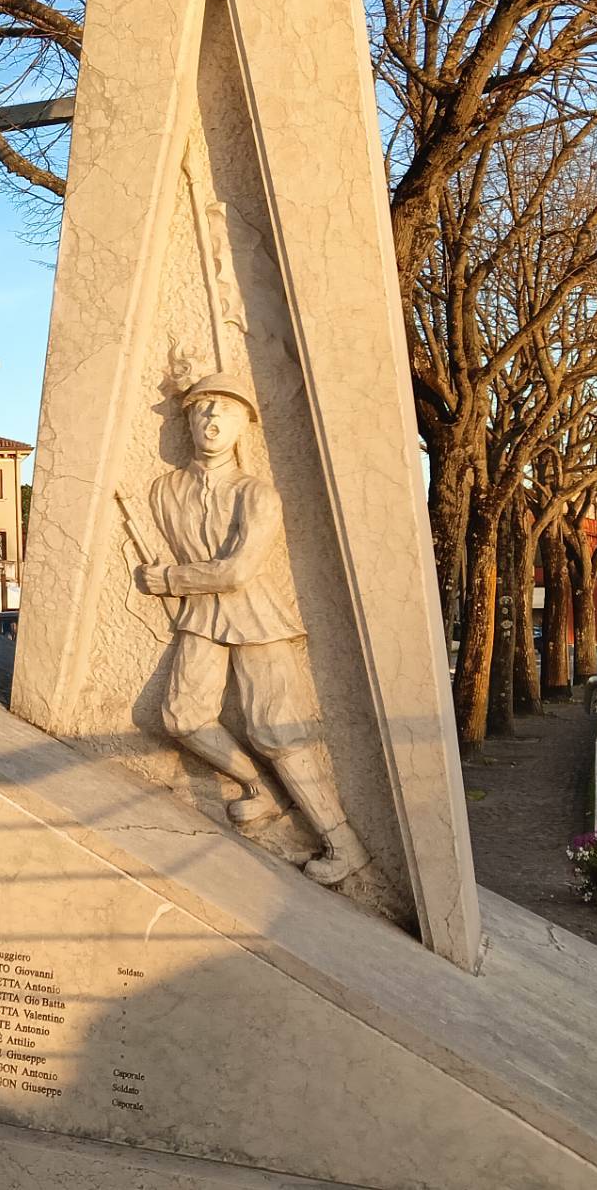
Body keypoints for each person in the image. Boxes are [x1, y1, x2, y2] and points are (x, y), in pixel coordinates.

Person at [131, 372, 369, 887]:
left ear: (244, 425)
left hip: (256, 616)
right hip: (204, 616)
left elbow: (238, 570)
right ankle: (260, 787)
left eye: (225, 412)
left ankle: (342, 842)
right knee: (182, 716)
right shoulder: (164, 491)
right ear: (188, 421)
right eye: (201, 410)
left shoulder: (258, 493)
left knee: (276, 731)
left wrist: (170, 580)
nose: (212, 420)